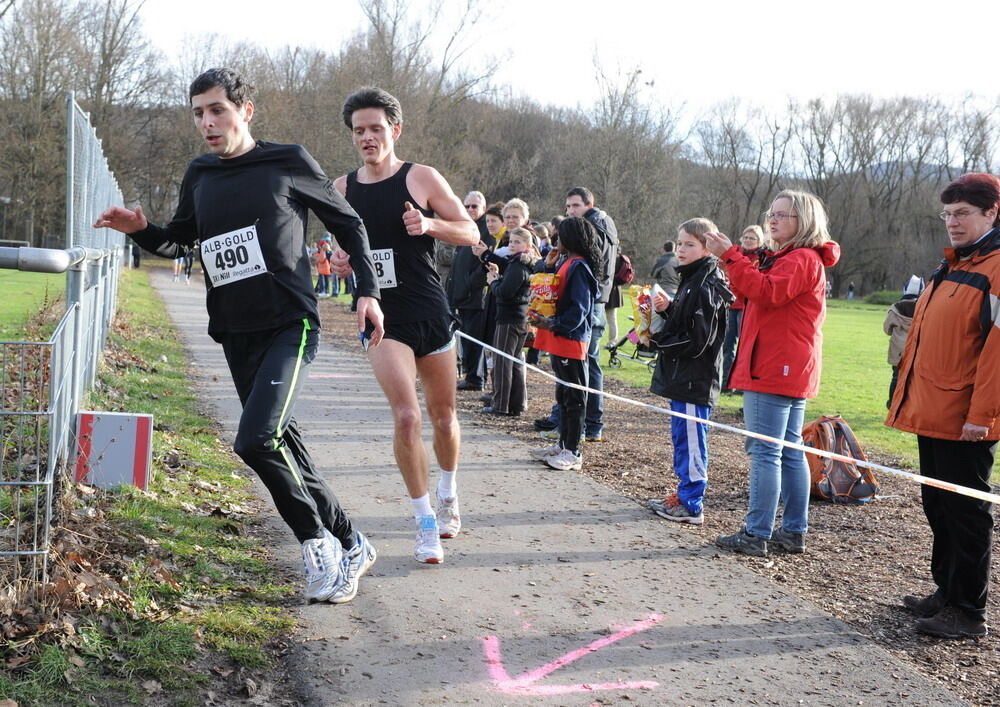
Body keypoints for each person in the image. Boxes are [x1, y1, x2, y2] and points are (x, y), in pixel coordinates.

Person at [93, 67, 383, 605]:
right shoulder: (200, 173)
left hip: (289, 324)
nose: (207, 122)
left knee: (254, 440)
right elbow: (181, 242)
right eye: (198, 113)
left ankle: (315, 540)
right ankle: (352, 540)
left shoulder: (288, 161)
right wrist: (142, 231)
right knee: (284, 443)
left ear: (245, 110)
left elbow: (349, 224)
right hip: (233, 329)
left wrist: (368, 289)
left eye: (217, 110)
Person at [332, 87, 478, 565]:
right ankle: (425, 522)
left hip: (430, 312)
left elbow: (471, 232)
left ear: (395, 130)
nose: (368, 138)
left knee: (443, 417)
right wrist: (339, 261)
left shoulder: (421, 178)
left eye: (376, 128)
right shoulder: (342, 189)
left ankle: (449, 491)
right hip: (380, 316)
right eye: (359, 131)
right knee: (407, 417)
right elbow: (341, 252)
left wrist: (431, 226)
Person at [886, 173, 1000, 640]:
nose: (952, 222)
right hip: (933, 407)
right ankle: (946, 592)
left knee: (966, 512)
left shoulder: (996, 269)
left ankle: (968, 610)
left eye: (963, 214)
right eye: (947, 214)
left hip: (967, 417)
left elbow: (997, 350)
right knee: (936, 502)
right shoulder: (952, 263)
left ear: (992, 213)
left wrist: (983, 416)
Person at [704, 189, 840, 557]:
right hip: (787, 365)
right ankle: (792, 530)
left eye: (782, 215)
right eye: (772, 213)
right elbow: (752, 292)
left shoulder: (801, 259)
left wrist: (730, 256)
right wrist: (737, 262)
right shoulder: (795, 258)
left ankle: (757, 532)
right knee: (790, 450)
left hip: (775, 366)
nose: (772, 219)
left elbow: (766, 293)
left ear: (804, 222)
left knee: (766, 452)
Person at [646, 218, 733, 525]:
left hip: (696, 378)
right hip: (681, 376)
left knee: (693, 441)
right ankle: (683, 493)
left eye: (689, 244)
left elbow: (699, 339)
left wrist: (659, 342)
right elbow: (686, 322)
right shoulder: (691, 278)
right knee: (681, 438)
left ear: (707, 246)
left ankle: (692, 503)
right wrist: (668, 309)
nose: (681, 250)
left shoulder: (707, 282)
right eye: (679, 243)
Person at [528, 216, 601, 471]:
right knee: (563, 394)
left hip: (571, 339)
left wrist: (555, 323)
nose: (555, 238)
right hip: (559, 338)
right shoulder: (564, 262)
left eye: (560, 234)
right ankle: (562, 443)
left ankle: (573, 450)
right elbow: (554, 293)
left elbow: (579, 309)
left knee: (575, 396)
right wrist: (548, 269)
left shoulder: (580, 267)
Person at [563, 187, 618, 442]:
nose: (570, 212)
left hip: (592, 300)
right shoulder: (602, 223)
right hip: (596, 298)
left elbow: (596, 266)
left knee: (586, 363)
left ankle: (589, 423)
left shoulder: (595, 226)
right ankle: (579, 421)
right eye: (568, 207)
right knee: (585, 363)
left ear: (589, 203)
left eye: (575, 206)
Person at [480, 227, 540, 416]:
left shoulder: (518, 265)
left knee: (503, 361)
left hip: (510, 318)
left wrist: (493, 282)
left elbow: (506, 293)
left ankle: (501, 405)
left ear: (527, 245)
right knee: (514, 361)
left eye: (517, 242)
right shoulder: (523, 264)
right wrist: (499, 277)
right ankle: (516, 404)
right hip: (519, 317)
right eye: (511, 242)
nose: (512, 245)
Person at [447, 193, 493, 391]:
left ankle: (476, 377)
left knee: (475, 338)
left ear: (483, 207)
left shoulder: (485, 232)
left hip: (476, 296)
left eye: (474, 206)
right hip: (462, 295)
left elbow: (485, 265)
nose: (470, 210)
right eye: (466, 206)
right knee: (466, 337)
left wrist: (468, 285)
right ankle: (471, 374)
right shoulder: (467, 229)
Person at [721, 226, 765, 389]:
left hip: (746, 306)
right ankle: (726, 382)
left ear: (759, 241)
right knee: (728, 345)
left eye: (752, 238)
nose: (747, 240)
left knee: (745, 348)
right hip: (730, 305)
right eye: (745, 237)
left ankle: (743, 385)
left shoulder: (760, 258)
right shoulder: (734, 254)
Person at [882, 274, 925, 407]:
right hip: (917, 348)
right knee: (913, 379)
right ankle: (908, 405)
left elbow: (887, 328)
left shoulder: (896, 308)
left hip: (898, 349)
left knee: (896, 377)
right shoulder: (925, 307)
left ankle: (892, 404)